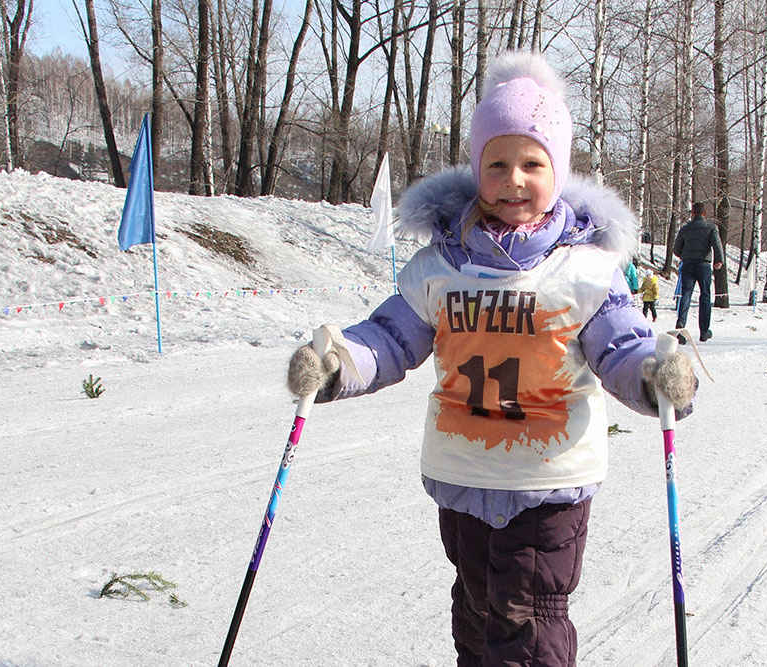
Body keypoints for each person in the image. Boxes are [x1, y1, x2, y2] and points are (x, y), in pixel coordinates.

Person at [286, 51, 697, 667]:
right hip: (463, 473)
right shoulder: (440, 268)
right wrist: (337, 363)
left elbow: (620, 344)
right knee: (477, 616)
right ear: (476, 169)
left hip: (548, 478)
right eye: (497, 163)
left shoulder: (585, 270)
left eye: (532, 163)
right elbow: (390, 339)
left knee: (526, 626)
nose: (513, 179)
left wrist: (654, 374)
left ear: (556, 172)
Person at [673, 201, 724, 342]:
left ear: (692, 213)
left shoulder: (685, 228)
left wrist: (684, 255)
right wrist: (719, 260)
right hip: (704, 265)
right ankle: (704, 331)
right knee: (705, 297)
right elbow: (717, 244)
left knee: (686, 295)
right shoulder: (711, 227)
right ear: (704, 213)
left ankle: (681, 324)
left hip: (688, 264)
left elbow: (676, 249)